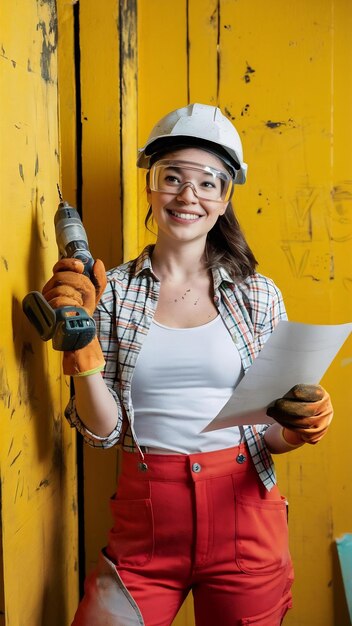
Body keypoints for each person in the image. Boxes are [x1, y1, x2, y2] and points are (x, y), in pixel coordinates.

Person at [42, 103, 333, 626]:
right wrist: (82, 360)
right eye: (171, 177)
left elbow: (268, 433)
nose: (187, 195)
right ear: (151, 188)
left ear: (224, 200)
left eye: (207, 183)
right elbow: (104, 434)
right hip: (146, 522)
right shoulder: (111, 294)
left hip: (245, 517)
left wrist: (300, 425)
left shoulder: (258, 296)